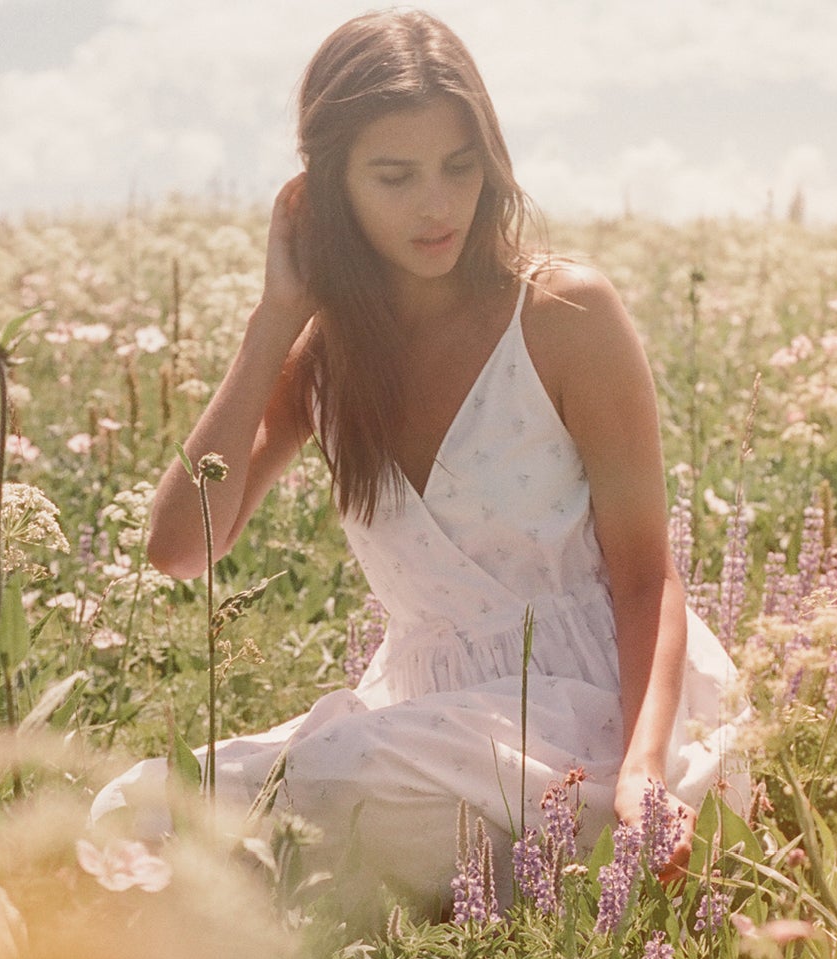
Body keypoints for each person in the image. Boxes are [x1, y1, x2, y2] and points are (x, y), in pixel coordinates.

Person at [92, 9, 746, 912]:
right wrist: (275, 318)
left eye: (458, 166)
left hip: (606, 719)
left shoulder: (562, 315)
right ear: (326, 191)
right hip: (425, 731)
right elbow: (177, 550)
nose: (436, 206)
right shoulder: (325, 357)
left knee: (323, 811)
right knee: (139, 807)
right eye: (393, 176)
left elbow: (645, 578)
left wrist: (641, 773)